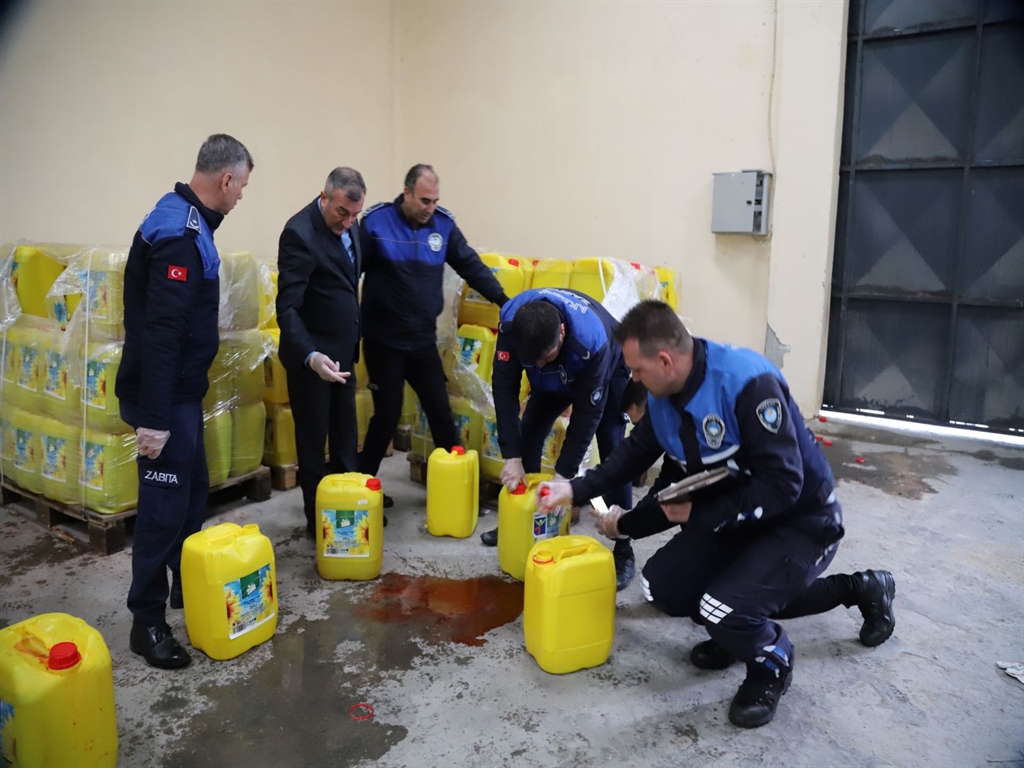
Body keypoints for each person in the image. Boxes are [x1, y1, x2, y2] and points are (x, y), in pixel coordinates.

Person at [538, 300, 896, 728]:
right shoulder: (665, 395)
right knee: (665, 587)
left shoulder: (747, 385)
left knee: (722, 607)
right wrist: (574, 488)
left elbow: (784, 486)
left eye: (636, 370)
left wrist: (697, 514)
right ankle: (734, 626)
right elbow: (634, 455)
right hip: (735, 513)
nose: (632, 379)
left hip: (800, 521)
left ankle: (777, 659)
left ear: (666, 360)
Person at [116, 133, 254, 669]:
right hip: (164, 400)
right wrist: (152, 422)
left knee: (193, 493)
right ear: (225, 180)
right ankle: (145, 622)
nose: (242, 195)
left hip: (180, 396)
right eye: (242, 185)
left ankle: (184, 592)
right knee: (162, 512)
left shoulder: (187, 220)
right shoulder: (179, 232)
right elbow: (162, 332)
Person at [357, 164, 509, 497]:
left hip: (421, 340)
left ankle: (456, 489)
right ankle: (362, 490)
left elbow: (470, 264)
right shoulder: (376, 223)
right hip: (384, 342)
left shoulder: (443, 225)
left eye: (435, 200)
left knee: (440, 410)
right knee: (387, 414)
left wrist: (505, 301)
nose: (430, 208)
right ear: (407, 192)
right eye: (424, 200)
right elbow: (348, 271)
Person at [479, 287, 637, 591]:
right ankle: (519, 522)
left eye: (545, 357)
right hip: (559, 366)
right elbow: (504, 388)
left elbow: (585, 419)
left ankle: (623, 547)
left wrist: (564, 477)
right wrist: (511, 456)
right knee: (526, 435)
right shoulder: (513, 324)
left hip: (606, 370)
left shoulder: (592, 342)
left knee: (613, 447)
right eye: (533, 361)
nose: (539, 366)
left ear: (562, 332)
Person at [277, 168, 366, 536]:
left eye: (354, 215)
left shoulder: (351, 224)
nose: (347, 222)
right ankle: (319, 523)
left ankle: (348, 511)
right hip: (312, 361)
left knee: (346, 437)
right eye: (342, 212)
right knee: (313, 443)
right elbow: (288, 308)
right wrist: (311, 356)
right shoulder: (299, 234)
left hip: (343, 355)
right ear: (324, 196)